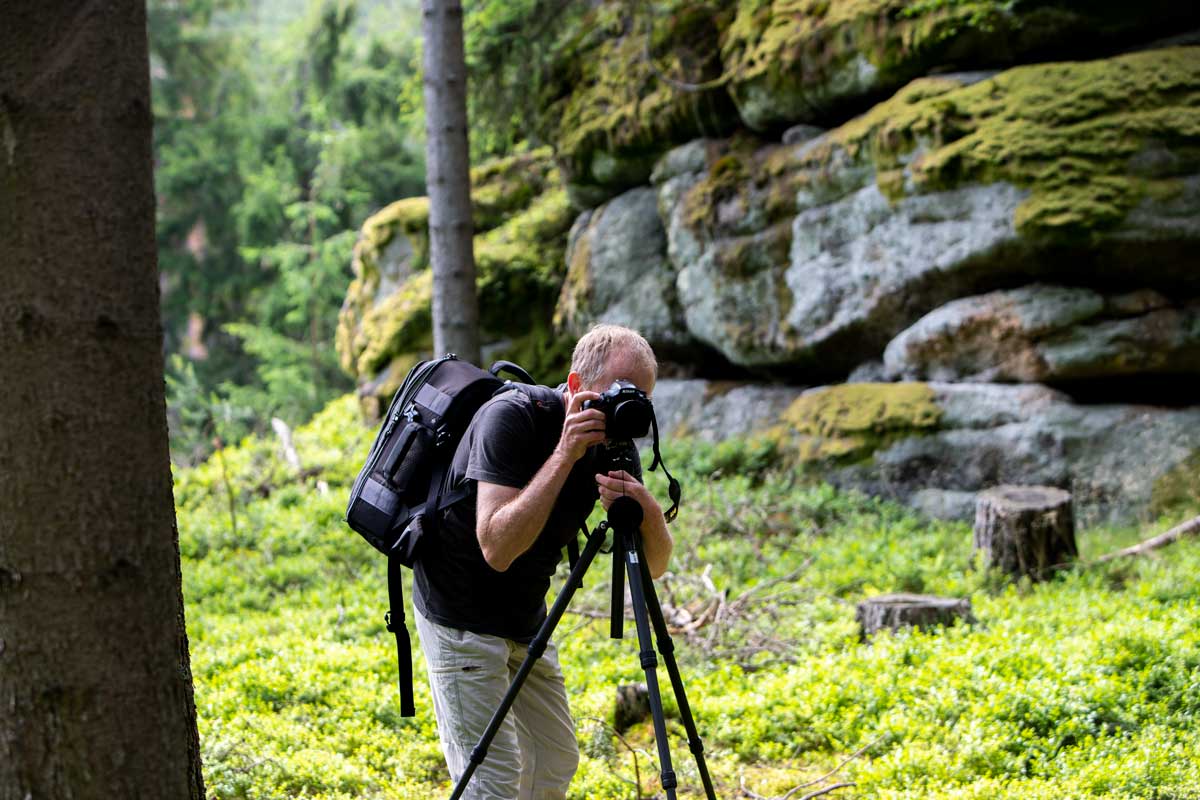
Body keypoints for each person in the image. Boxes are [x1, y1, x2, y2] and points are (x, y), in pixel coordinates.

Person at [412, 323, 674, 799]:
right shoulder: (512, 418)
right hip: (460, 614)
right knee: (491, 780)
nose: (624, 408)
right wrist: (565, 454)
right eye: (614, 394)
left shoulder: (614, 442)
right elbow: (497, 547)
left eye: (639, 398)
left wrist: (647, 509)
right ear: (575, 386)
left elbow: (654, 567)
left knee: (553, 761)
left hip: (526, 618)